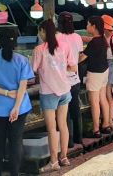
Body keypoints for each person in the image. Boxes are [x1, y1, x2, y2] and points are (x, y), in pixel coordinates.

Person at [0, 30, 33, 176]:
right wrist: (15, 107)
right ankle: (14, 173)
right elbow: (23, 86)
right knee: (15, 142)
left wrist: (5, 93)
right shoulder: (22, 60)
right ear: (15, 42)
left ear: (0, 42)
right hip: (20, 108)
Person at [32, 19, 76, 172]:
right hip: (65, 89)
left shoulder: (39, 49)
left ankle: (53, 162)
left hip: (49, 92)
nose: (39, 34)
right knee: (63, 125)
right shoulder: (64, 46)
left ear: (43, 31)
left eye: (40, 31)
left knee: (52, 129)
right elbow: (73, 66)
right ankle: (64, 157)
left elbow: (33, 70)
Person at [79, 16, 111, 136]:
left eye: (88, 24)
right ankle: (106, 125)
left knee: (94, 102)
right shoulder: (103, 39)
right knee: (103, 99)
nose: (86, 26)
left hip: (95, 73)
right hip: (104, 72)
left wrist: (68, 62)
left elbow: (82, 57)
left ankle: (96, 129)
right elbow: (90, 39)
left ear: (93, 26)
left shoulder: (94, 42)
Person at [57, 12, 84, 148]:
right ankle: (79, 138)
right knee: (75, 109)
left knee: (64, 112)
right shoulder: (77, 37)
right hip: (75, 77)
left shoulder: (57, 37)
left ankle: (69, 141)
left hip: (61, 79)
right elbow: (79, 56)